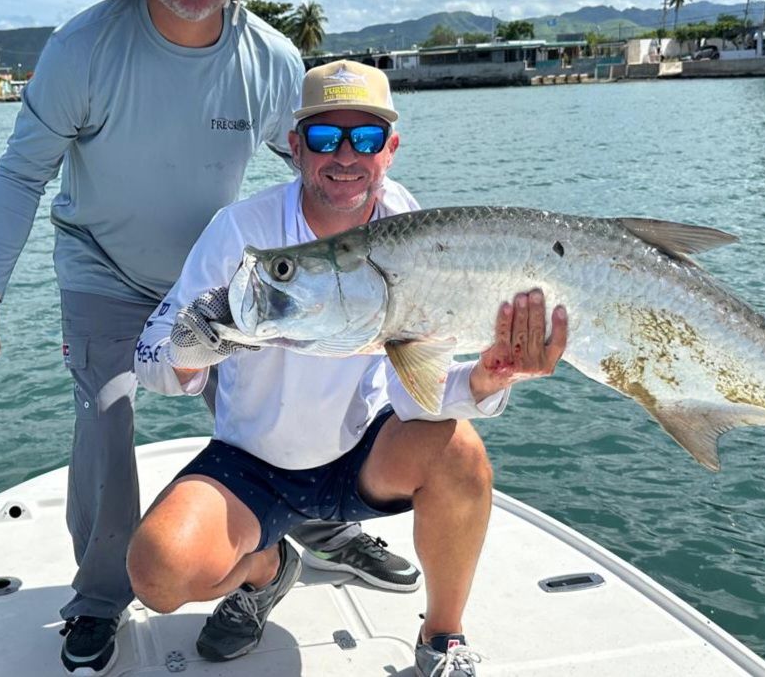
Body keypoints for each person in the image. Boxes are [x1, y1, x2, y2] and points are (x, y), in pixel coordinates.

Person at [0, 0, 417, 677]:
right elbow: (21, 171)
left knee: (290, 380)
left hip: (220, 274)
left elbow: (331, 170)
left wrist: (405, 268)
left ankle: (320, 529)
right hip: (103, 270)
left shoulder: (271, 61)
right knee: (108, 414)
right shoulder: (83, 50)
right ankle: (99, 597)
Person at [129, 60, 568, 677]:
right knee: (157, 573)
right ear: (295, 146)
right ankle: (269, 569)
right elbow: (147, 357)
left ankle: (442, 637)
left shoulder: (407, 222)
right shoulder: (242, 232)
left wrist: (488, 380)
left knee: (461, 452)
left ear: (390, 148)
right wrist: (192, 348)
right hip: (254, 460)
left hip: (364, 450)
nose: (345, 155)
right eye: (323, 136)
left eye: (365, 137)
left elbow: (416, 390)